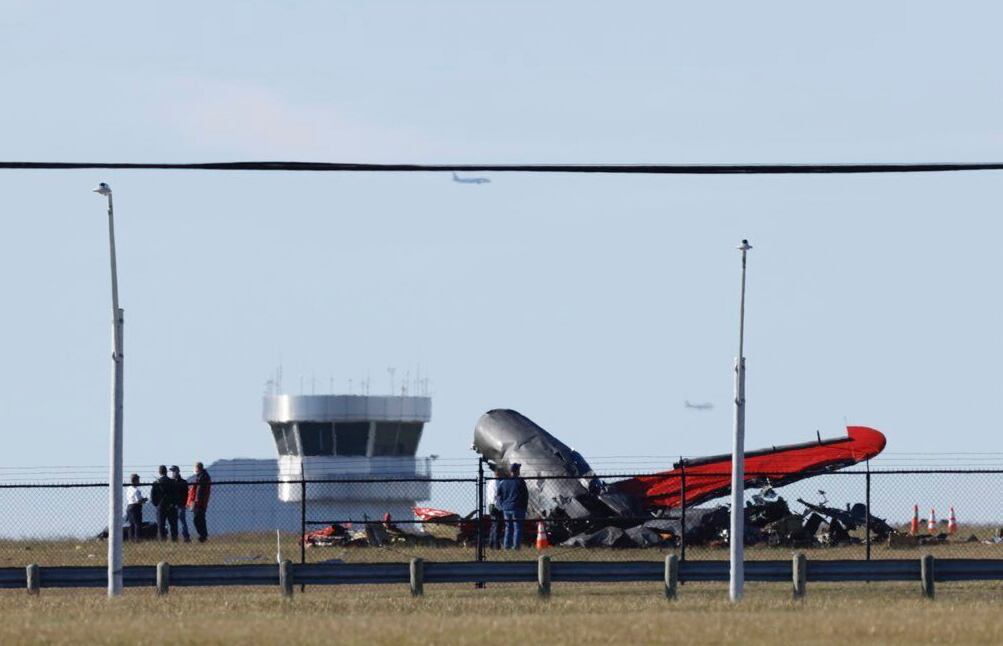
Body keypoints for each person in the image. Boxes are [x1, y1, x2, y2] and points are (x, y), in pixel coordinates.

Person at [495, 462, 529, 550]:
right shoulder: (520, 481)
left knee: (508, 528)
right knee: (517, 527)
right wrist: (524, 507)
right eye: (519, 469)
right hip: (517, 507)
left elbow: (499, 495)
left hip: (506, 508)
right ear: (516, 471)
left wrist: (502, 505)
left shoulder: (503, 482)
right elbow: (525, 495)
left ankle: (507, 546)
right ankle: (516, 547)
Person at [150, 465, 178, 541]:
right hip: (171, 506)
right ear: (166, 472)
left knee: (161, 525)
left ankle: (163, 540)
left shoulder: (156, 483)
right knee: (173, 525)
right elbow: (176, 494)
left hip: (161, 507)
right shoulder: (172, 482)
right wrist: (173, 503)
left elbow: (153, 497)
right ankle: (174, 539)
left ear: (159, 472)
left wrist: (157, 505)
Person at [187, 461, 212, 542]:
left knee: (198, 519)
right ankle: (202, 536)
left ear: (198, 468)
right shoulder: (202, 476)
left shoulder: (203, 477)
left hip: (200, 503)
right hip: (200, 502)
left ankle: (203, 536)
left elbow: (199, 491)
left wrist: (196, 502)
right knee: (199, 519)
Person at [169, 465, 191, 543]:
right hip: (173, 506)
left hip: (180, 505)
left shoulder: (182, 482)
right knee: (175, 523)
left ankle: (186, 538)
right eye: (172, 471)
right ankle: (175, 538)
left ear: (177, 471)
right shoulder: (171, 482)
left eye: (173, 471)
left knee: (182, 522)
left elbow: (186, 494)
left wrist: (184, 503)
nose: (172, 473)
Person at [486, 466, 506, 549]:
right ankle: (495, 545)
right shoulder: (497, 483)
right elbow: (496, 496)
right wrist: (500, 507)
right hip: (497, 506)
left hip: (491, 505)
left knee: (494, 526)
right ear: (499, 473)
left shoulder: (490, 482)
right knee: (497, 526)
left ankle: (491, 543)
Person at [124, 473, 146, 542]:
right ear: (135, 481)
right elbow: (138, 500)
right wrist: (144, 500)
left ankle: (131, 538)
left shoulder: (128, 489)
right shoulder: (136, 490)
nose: (139, 482)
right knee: (137, 524)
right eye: (138, 480)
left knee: (131, 524)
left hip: (129, 506)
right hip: (135, 507)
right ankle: (137, 539)